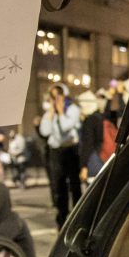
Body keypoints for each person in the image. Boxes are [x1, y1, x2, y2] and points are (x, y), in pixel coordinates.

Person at [39, 82, 82, 228]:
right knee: (59, 186)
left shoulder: (73, 109)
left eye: (59, 96)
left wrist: (61, 112)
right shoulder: (50, 113)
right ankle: (62, 219)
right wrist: (51, 114)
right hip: (55, 152)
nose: (56, 99)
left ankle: (78, 217)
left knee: (74, 185)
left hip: (70, 150)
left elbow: (65, 127)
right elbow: (44, 131)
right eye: (53, 96)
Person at [78, 88, 116, 184]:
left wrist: (84, 167)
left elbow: (88, 144)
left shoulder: (89, 121)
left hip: (93, 161)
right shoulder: (100, 117)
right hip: (103, 158)